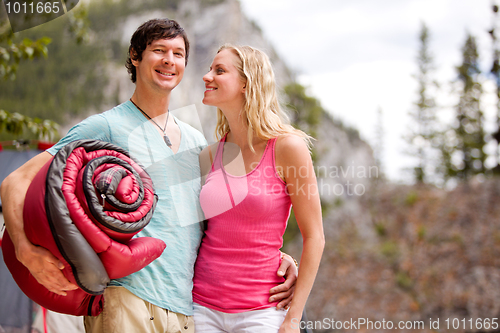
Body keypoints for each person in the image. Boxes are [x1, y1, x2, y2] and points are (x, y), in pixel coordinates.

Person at [0, 19, 298, 333]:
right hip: (126, 298)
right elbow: (14, 181)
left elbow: (217, 220)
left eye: (178, 53)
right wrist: (25, 251)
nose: (170, 60)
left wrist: (274, 255)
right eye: (159, 50)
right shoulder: (105, 126)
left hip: (188, 309)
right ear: (135, 57)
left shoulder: (197, 141)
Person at [192, 44, 325, 333]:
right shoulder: (209, 155)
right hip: (201, 307)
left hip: (262, 312)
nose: (206, 76)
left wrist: (293, 319)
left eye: (219, 70)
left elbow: (315, 236)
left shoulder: (288, 148)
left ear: (246, 83)